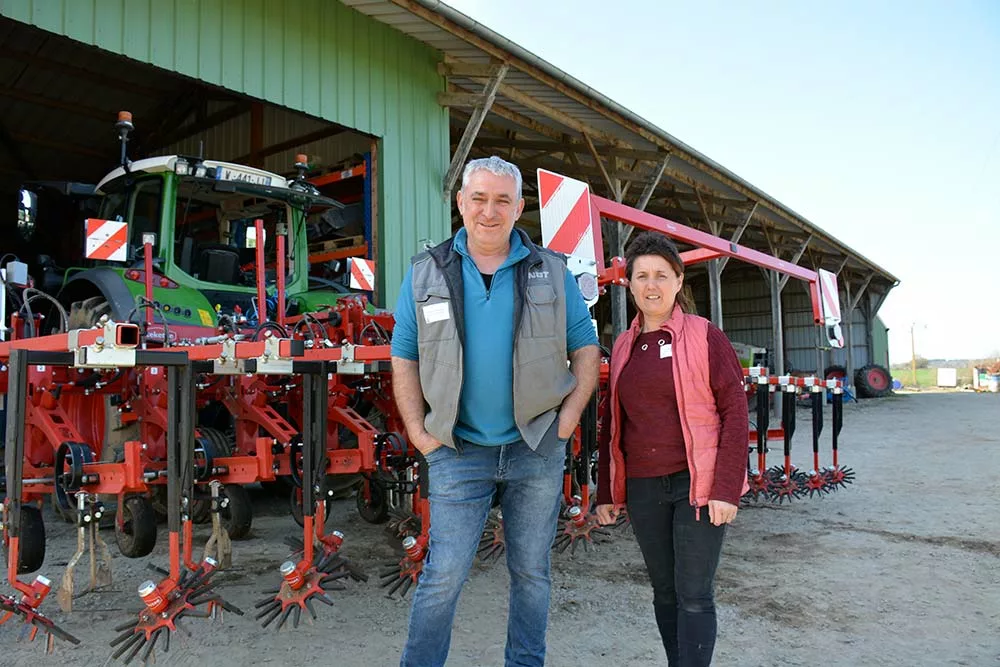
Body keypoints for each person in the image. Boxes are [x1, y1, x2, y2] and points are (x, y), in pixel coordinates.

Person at [391, 155, 601, 667]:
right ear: (461, 202)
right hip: (458, 448)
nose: (490, 210)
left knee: (532, 572)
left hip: (535, 448)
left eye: (502, 200)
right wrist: (418, 431)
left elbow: (587, 348)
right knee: (443, 574)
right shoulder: (426, 273)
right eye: (479, 198)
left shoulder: (550, 271)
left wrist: (568, 420)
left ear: (519, 208)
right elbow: (405, 354)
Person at [595, 231, 749, 667]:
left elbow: (735, 412)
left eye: (661, 275)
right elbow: (612, 423)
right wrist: (607, 492)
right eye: (641, 276)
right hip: (645, 489)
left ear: (679, 281)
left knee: (694, 593)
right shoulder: (624, 345)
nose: (651, 285)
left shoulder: (705, 336)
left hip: (695, 485)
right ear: (629, 285)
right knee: (664, 591)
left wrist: (725, 488)